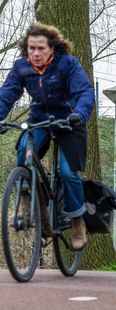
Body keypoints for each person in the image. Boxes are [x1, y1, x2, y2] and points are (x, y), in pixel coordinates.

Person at [0, 23, 95, 250]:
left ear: (52, 48)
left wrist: (79, 114)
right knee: (24, 151)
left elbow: (84, 92)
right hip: (40, 120)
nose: (35, 53)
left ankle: (77, 221)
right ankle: (27, 204)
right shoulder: (22, 67)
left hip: (69, 121)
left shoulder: (67, 64)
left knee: (67, 172)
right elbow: (7, 94)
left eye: (41, 48)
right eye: (31, 48)